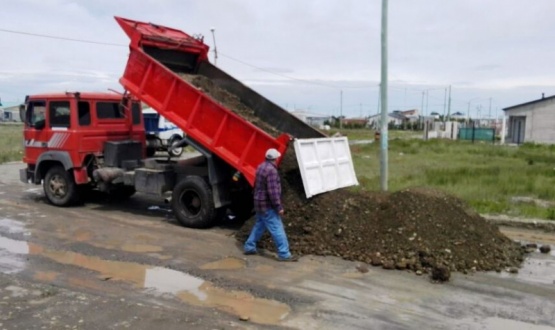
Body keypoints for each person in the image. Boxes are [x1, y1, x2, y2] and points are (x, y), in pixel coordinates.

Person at [243, 148, 298, 262]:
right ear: (275, 159)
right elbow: (273, 192)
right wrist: (278, 207)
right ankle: (284, 254)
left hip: (258, 202)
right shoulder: (272, 171)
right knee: (277, 228)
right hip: (267, 205)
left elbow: (256, 185)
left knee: (260, 224)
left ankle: (249, 246)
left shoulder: (261, 167)